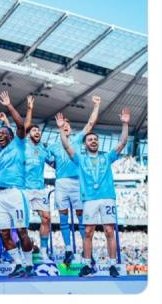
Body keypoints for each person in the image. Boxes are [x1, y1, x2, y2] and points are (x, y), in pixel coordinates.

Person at [56, 108, 130, 278]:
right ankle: (87, 264)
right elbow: (66, 146)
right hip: (89, 199)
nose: (93, 141)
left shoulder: (107, 157)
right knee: (88, 231)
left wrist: (125, 124)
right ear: (85, 144)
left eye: (95, 139)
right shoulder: (80, 159)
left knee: (109, 231)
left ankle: (113, 265)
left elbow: (122, 142)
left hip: (107, 198)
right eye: (90, 139)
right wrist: (60, 129)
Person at [48, 95, 101, 264]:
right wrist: (56, 166)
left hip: (78, 183)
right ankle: (68, 250)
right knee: (63, 216)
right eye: (62, 125)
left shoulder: (78, 140)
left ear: (70, 129)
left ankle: (87, 251)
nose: (65, 127)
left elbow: (90, 124)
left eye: (67, 125)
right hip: (61, 183)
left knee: (81, 217)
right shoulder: (53, 146)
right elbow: (46, 159)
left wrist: (96, 106)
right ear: (59, 128)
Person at [0, 91, 34, 278]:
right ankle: (18, 264)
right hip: (0, 196)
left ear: (11, 135)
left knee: (22, 231)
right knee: (3, 233)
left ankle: (29, 265)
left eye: (3, 133)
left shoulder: (18, 144)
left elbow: (21, 125)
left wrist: (9, 105)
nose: (0, 135)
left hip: (16, 193)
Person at [23, 95, 53, 262]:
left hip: (40, 189)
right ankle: (24, 251)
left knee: (47, 218)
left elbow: (54, 163)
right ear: (28, 134)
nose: (37, 132)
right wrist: (30, 109)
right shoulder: (23, 145)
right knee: (22, 222)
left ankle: (43, 252)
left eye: (39, 131)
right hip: (24, 189)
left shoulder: (43, 148)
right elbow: (25, 126)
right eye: (34, 130)